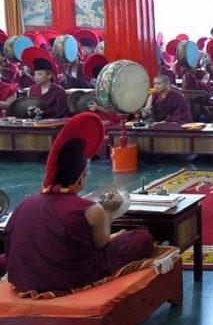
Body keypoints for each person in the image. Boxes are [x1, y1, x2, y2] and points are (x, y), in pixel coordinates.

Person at [3, 112, 154, 297]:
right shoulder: (90, 210)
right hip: (68, 278)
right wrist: (106, 212)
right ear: (81, 177)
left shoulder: (25, 204)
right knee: (141, 238)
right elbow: (102, 244)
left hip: (22, 278)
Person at [22, 48, 69, 118]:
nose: (36, 77)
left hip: (53, 122)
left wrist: (43, 112)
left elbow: (60, 111)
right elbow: (28, 106)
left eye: (40, 74)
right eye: (35, 74)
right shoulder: (32, 89)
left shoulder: (59, 91)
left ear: (49, 76)